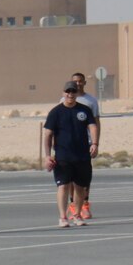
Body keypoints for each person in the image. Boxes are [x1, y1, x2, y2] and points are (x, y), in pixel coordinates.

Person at [42, 81, 98, 228]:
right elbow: (48, 134)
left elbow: (92, 126)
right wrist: (47, 156)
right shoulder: (55, 112)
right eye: (67, 91)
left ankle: (77, 214)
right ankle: (62, 217)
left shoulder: (84, 110)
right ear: (63, 93)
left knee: (80, 187)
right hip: (63, 157)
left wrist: (94, 143)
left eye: (73, 92)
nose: (70, 94)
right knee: (63, 186)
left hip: (82, 156)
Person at [69, 72, 100, 219]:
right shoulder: (64, 99)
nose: (78, 84)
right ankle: (73, 204)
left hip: (85, 143)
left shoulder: (91, 101)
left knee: (84, 176)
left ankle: (85, 204)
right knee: (69, 177)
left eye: (80, 81)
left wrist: (95, 142)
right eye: (75, 81)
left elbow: (95, 123)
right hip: (68, 145)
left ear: (84, 83)